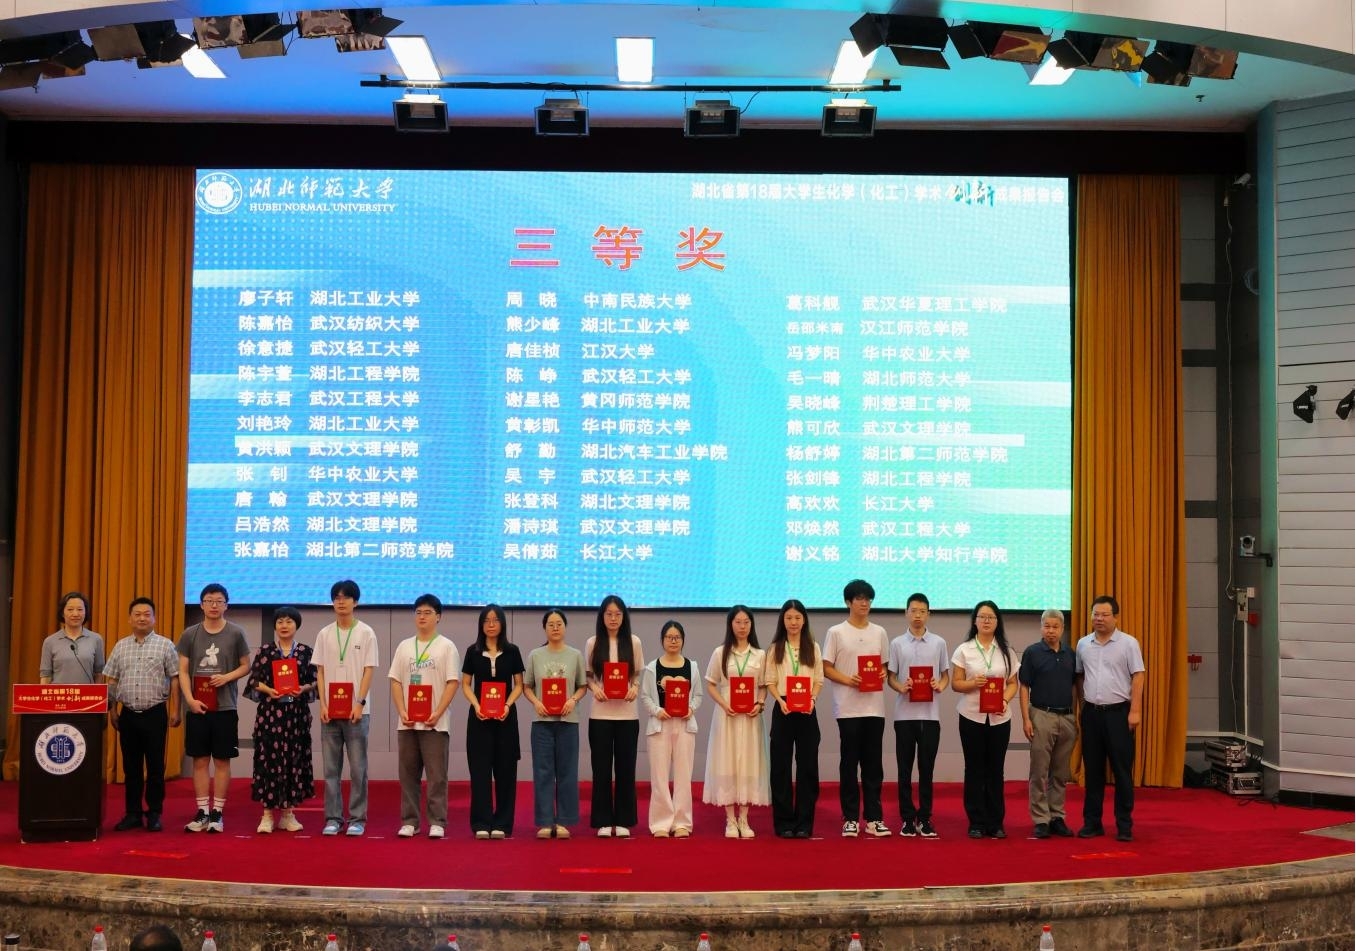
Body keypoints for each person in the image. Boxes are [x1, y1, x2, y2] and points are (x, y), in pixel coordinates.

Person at [177, 583, 252, 833]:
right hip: (197, 707)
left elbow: (246, 665)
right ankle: (202, 812)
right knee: (199, 760)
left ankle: (217, 813)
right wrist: (189, 700)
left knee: (222, 760)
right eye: (209, 600)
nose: (214, 605)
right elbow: (183, 671)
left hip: (225, 707)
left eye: (219, 601)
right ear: (201, 604)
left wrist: (227, 677)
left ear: (226, 605)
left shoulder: (236, 632)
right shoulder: (190, 634)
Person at [821, 579, 892, 838]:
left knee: (873, 765)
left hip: (874, 708)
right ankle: (850, 817)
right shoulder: (836, 632)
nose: (864, 603)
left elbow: (884, 666)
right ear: (848, 602)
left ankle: (874, 818)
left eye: (868, 599)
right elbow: (826, 668)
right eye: (859, 598)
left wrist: (882, 674)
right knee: (849, 763)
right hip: (848, 708)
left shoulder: (879, 632)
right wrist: (848, 680)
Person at [104, 597, 181, 832]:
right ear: (130, 618)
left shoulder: (165, 645)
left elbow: (175, 679)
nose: (142, 618)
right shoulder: (120, 646)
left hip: (155, 713)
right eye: (137, 614)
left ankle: (155, 813)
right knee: (131, 768)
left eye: (147, 614)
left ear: (154, 618)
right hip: (128, 714)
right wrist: (113, 711)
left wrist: (175, 710)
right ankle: (133, 813)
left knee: (156, 767)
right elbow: (112, 680)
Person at [388, 593, 460, 839]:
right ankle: (410, 821)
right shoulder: (404, 646)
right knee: (408, 775)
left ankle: (437, 821)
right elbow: (395, 681)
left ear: (438, 617)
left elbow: (452, 682)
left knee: (437, 775)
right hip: (407, 721)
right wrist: (402, 710)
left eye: (428, 612)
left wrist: (437, 712)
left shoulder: (447, 646)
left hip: (435, 723)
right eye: (418, 612)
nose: (422, 617)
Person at [1076, 595, 1146, 843]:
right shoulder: (1083, 644)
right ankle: (1092, 823)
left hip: (1119, 714)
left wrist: (1135, 710)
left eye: (1104, 615)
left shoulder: (1128, 643)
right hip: (1092, 714)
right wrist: (1082, 705)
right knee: (1093, 771)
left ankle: (1124, 825)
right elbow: (1080, 676)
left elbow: (1138, 676)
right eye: (1095, 614)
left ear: (1115, 617)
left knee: (1122, 771)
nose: (1099, 619)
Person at [312, 578, 379, 837]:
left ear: (355, 602)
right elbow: (320, 671)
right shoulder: (324, 633)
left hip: (356, 712)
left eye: (346, 597)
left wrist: (360, 702)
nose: (341, 602)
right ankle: (333, 818)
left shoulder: (366, 632)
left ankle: (357, 819)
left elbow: (369, 670)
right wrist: (323, 704)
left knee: (358, 768)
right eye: (337, 597)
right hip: (330, 712)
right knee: (331, 769)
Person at [244, 605, 318, 834]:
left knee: (293, 761)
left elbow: (316, 680)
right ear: (275, 626)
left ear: (297, 625)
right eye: (280, 622)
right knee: (268, 761)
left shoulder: (306, 652)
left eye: (289, 621)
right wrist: (269, 690)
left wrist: (303, 688)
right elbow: (254, 681)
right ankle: (267, 815)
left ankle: (288, 814)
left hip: (296, 716)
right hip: (270, 715)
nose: (284, 626)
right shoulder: (265, 651)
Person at [950, 600, 1020, 839]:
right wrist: (973, 683)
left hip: (999, 718)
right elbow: (956, 684)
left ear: (997, 621)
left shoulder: (1007, 651)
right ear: (975, 621)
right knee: (974, 769)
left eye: (991, 617)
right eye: (982, 617)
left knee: (996, 769)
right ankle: (976, 822)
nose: (986, 621)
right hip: (971, 716)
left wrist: (1005, 701)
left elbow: (1013, 683)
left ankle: (995, 822)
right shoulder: (964, 649)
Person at [885, 592, 950, 838]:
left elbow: (945, 675)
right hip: (904, 716)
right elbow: (891, 677)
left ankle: (925, 818)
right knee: (904, 770)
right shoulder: (896, 644)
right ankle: (907, 819)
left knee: (927, 769)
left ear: (928, 614)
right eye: (913, 611)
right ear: (906, 613)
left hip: (930, 716)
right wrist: (900, 687)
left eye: (922, 611)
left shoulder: (939, 643)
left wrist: (939, 685)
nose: (918, 616)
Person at [703, 604, 770, 839]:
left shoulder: (760, 655)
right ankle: (730, 820)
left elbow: (763, 686)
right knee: (728, 762)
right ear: (730, 625)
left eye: (746, 622)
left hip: (750, 717)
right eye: (738, 622)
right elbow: (711, 684)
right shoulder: (720, 653)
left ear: (751, 625)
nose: (742, 626)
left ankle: (744, 818)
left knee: (749, 763)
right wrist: (724, 704)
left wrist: (759, 703)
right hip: (727, 715)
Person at [522, 608, 589, 839]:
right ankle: (544, 821)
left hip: (568, 721)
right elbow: (527, 686)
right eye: (550, 624)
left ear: (565, 627)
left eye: (559, 623)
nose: (555, 628)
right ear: (544, 628)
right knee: (543, 772)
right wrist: (536, 703)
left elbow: (582, 686)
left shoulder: (575, 655)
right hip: (542, 722)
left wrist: (572, 700)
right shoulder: (535, 655)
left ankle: (564, 821)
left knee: (567, 772)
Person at [461, 603, 525, 839]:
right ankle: (481, 822)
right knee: (480, 772)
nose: (491, 625)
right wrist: (477, 705)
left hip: (506, 719)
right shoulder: (473, 651)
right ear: (481, 624)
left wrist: (507, 705)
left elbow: (519, 685)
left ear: (502, 624)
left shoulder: (513, 651)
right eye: (486, 621)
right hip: (479, 719)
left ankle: (502, 823)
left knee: (506, 771)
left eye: (495, 620)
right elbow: (465, 684)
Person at [585, 594, 644, 837]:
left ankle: (623, 820)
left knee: (625, 769)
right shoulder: (593, 643)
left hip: (627, 716)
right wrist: (595, 689)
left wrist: (635, 688)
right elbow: (588, 676)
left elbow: (637, 674)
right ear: (602, 616)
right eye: (608, 614)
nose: (613, 618)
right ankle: (602, 820)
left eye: (617, 614)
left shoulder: (634, 642)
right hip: (600, 715)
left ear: (624, 617)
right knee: (601, 769)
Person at [763, 599, 823, 839]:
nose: (793, 622)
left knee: (808, 767)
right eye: (788, 618)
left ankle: (804, 823)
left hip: (807, 709)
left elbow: (818, 679)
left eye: (797, 617)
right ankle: (784, 822)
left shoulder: (813, 647)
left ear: (804, 620)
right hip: (784, 708)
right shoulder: (775, 648)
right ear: (783, 621)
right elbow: (769, 680)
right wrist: (780, 700)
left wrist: (813, 699)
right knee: (780, 768)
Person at [1019, 608, 1078, 839]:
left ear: (1062, 629)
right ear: (1041, 627)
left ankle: (1057, 816)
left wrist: (1075, 716)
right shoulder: (1032, 652)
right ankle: (1041, 819)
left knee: (1060, 773)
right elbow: (1024, 687)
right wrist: (1026, 719)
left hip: (1067, 718)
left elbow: (1075, 686)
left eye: (1055, 627)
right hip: (1041, 715)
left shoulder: (1070, 654)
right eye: (1047, 626)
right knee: (1039, 771)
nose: (1051, 631)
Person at [640, 620, 702, 837]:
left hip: (684, 726)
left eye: (677, 638)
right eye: (669, 637)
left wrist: (691, 709)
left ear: (683, 640)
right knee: (659, 777)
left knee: (683, 776)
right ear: (662, 640)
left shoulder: (692, 667)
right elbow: (645, 696)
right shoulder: (652, 668)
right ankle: (660, 823)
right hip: (660, 726)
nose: (673, 641)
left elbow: (698, 695)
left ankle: (682, 823)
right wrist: (657, 711)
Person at [39, 591, 104, 684]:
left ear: (85, 612)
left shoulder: (96, 639)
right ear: (62, 613)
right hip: (59, 693)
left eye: (80, 609)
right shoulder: (50, 641)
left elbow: (99, 673)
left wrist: (96, 692)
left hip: (86, 693)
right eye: (70, 609)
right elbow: (45, 676)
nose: (75, 614)